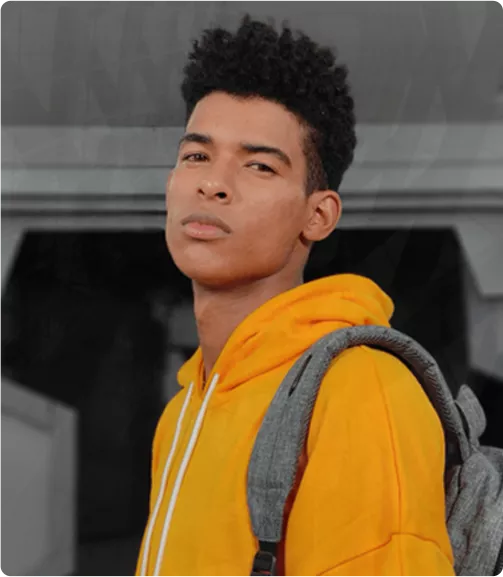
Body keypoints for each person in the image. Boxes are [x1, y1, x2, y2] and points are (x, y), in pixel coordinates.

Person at [135, 14, 455, 577]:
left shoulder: (360, 388)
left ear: (318, 215)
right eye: (196, 156)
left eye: (259, 165)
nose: (212, 183)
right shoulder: (182, 413)